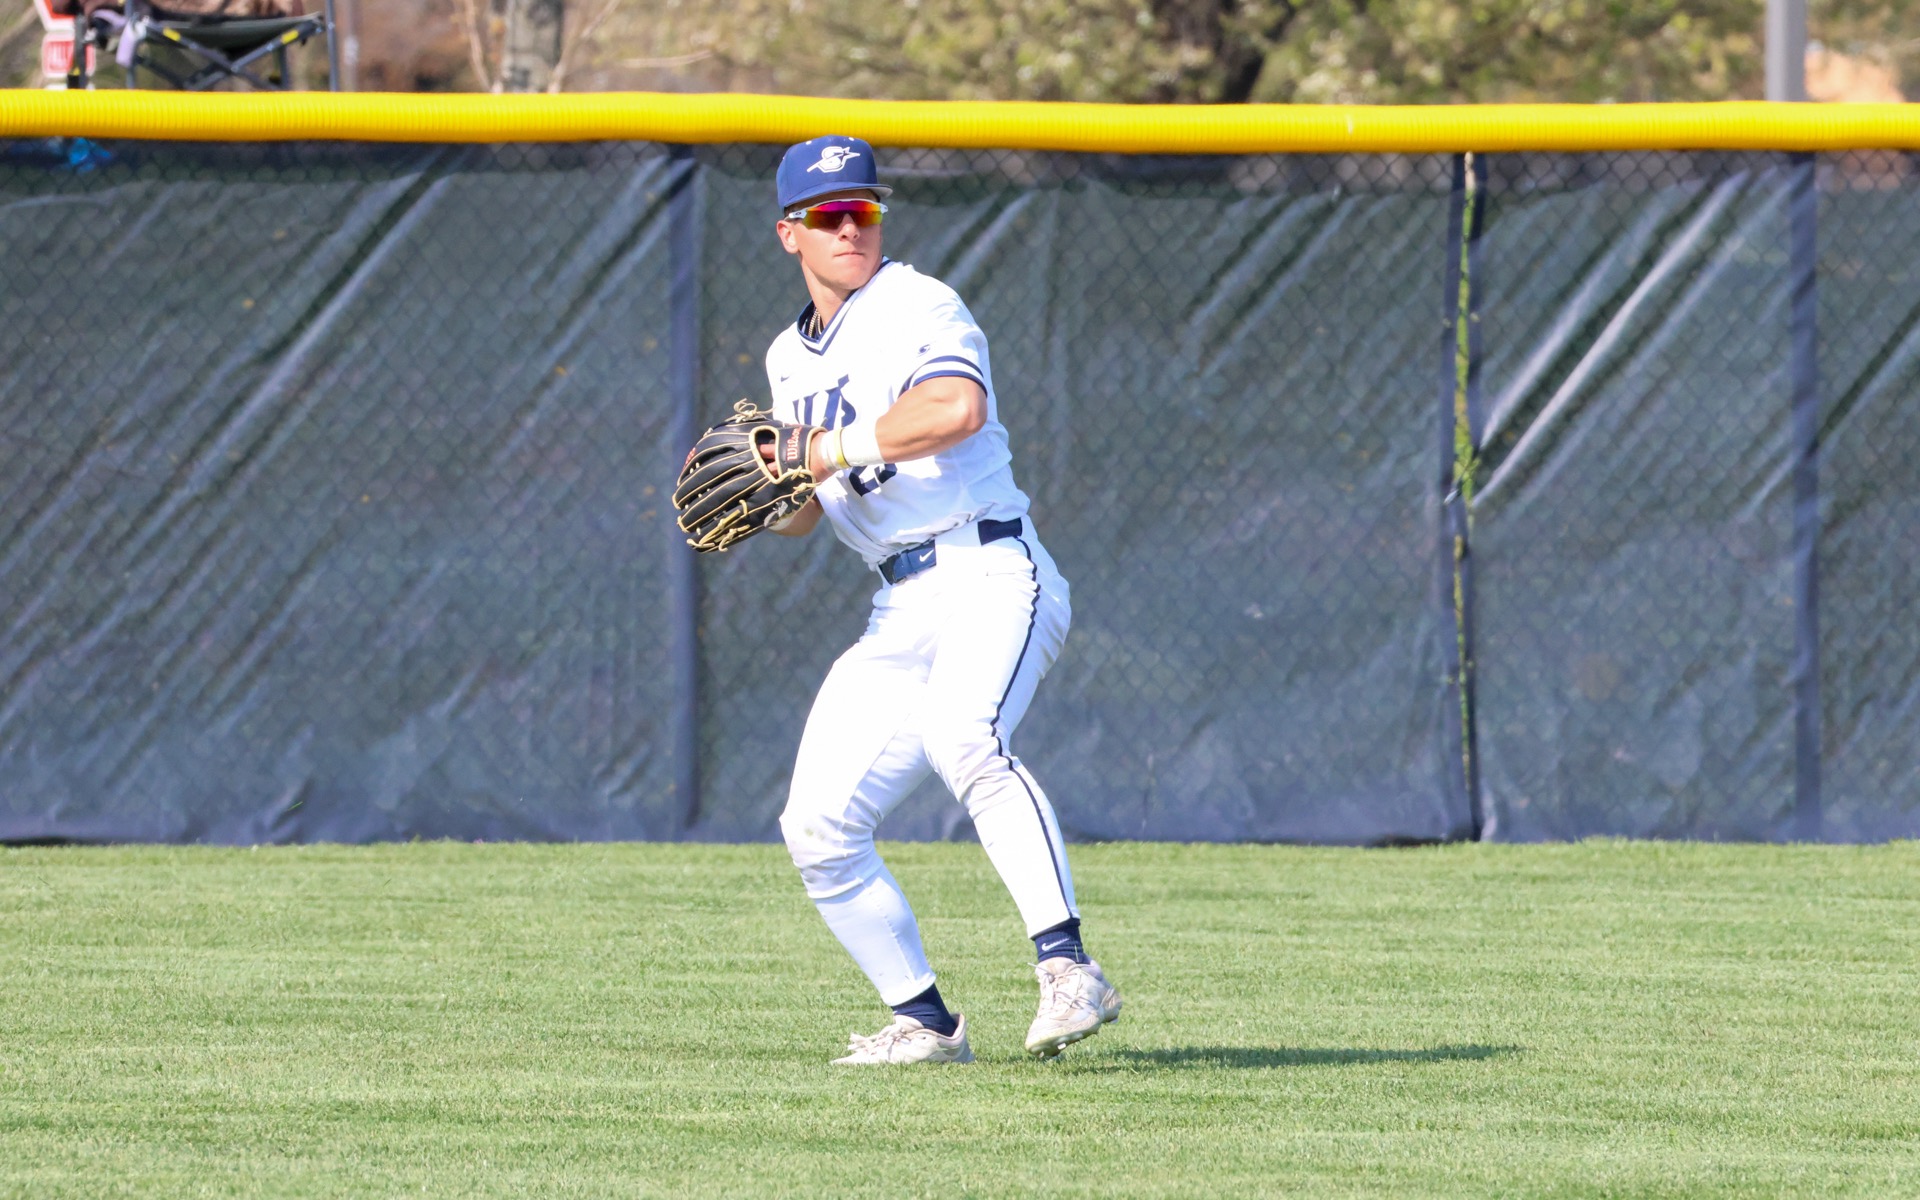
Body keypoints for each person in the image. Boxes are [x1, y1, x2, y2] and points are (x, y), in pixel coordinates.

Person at [761, 135, 1121, 1065]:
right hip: (899, 604)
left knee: (968, 738)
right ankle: (923, 1022)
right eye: (828, 216)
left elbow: (953, 410)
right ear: (788, 234)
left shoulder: (918, 302)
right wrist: (770, 489)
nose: (850, 228)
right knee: (817, 825)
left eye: (863, 210)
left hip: (992, 569)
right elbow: (805, 518)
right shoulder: (785, 360)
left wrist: (819, 452)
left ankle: (1070, 968)